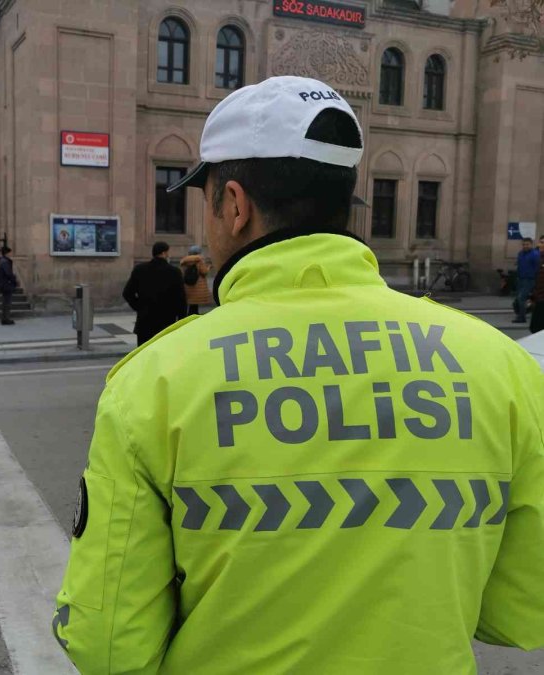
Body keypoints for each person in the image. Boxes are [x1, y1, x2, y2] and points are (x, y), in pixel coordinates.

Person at [52, 76, 544, 674]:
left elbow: (108, 645)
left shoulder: (155, 382)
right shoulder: (502, 367)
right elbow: (522, 612)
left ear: (235, 206)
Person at [122, 241, 187, 346]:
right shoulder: (174, 272)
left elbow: (127, 293)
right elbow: (181, 299)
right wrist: (181, 321)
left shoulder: (140, 269)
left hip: (145, 321)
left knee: (145, 352)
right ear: (164, 253)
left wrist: (139, 307)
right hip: (167, 321)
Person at [179, 245, 212, 316]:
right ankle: (193, 315)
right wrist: (208, 268)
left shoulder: (184, 261)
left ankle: (191, 314)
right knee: (195, 304)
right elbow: (204, 272)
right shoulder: (199, 261)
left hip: (188, 285)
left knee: (191, 303)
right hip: (197, 285)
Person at [513, 237, 540, 323]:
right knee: (519, 298)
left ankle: (522, 317)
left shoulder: (535, 255)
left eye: (527, 244)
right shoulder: (520, 253)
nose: (525, 246)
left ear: (531, 245)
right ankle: (522, 313)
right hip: (520, 278)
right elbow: (519, 265)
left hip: (530, 279)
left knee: (521, 298)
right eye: (524, 244)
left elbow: (537, 267)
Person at [0, 245, 18, 325]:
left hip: (4, 284)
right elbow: (8, 273)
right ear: (6, 253)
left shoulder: (3, 261)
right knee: (7, 303)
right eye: (10, 253)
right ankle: (6, 319)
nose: (11, 254)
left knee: (6, 302)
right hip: (6, 284)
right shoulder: (5, 262)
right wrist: (14, 280)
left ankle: (5, 318)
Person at [530, 235, 544, 334]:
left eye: (543, 243)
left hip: (542, 299)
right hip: (539, 298)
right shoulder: (540, 259)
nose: (539, 245)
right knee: (535, 328)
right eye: (540, 242)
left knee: (537, 328)